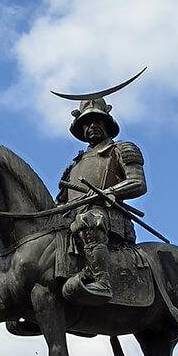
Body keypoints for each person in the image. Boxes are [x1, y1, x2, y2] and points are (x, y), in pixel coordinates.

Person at [56, 96, 147, 304]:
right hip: (73, 221)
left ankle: (102, 282)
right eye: (86, 123)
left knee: (88, 219)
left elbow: (138, 182)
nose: (92, 126)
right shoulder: (73, 166)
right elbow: (60, 201)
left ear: (107, 123)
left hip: (107, 217)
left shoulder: (121, 149)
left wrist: (109, 192)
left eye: (97, 121)